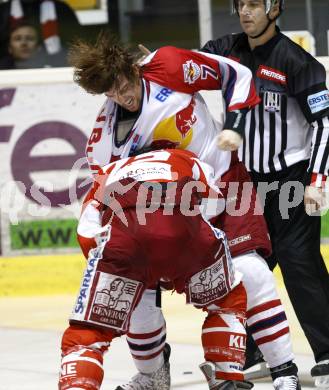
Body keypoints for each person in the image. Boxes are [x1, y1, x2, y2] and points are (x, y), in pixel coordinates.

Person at [68, 32, 301, 389]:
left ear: (132, 68)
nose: (122, 97)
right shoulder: (104, 138)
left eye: (122, 85)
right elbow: (111, 193)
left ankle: (284, 372)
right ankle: (154, 375)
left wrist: (234, 127)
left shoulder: (169, 66)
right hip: (177, 212)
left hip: (225, 182)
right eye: (110, 93)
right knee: (136, 298)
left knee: (252, 275)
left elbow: (234, 74)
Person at [201, 0, 329, 388]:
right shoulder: (227, 49)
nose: (246, 12)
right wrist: (155, 62)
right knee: (248, 266)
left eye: (255, 4)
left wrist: (317, 179)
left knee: (298, 261)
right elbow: (187, 64)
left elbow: (324, 124)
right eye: (241, 5)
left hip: (289, 179)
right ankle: (255, 353)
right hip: (246, 181)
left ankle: (326, 352)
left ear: (274, 9)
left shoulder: (297, 61)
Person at [58, 148, 251, 390]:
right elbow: (216, 199)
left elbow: (86, 230)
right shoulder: (185, 157)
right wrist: (185, 251)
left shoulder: (108, 171)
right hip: (187, 230)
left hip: (125, 240)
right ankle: (226, 378)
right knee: (228, 301)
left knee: (87, 333)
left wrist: (113, 270)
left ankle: (81, 386)